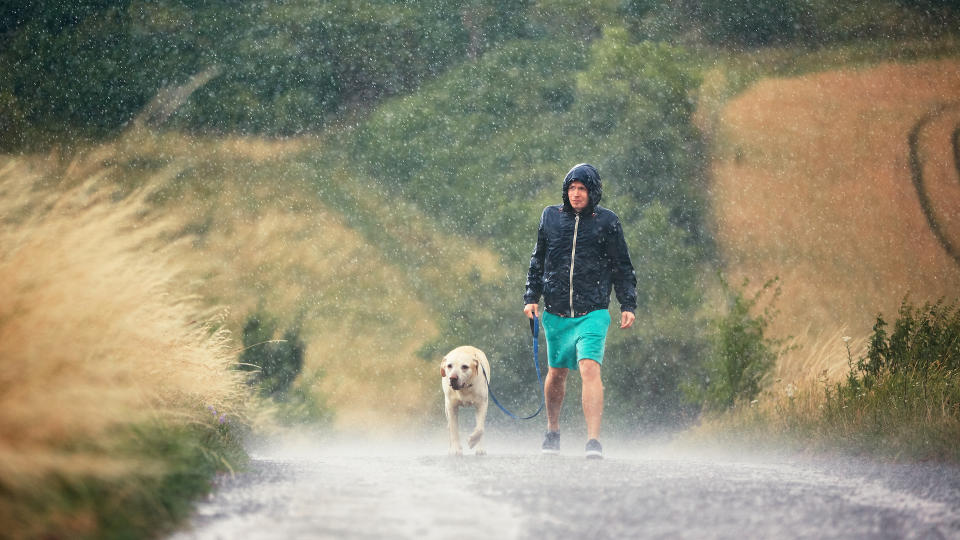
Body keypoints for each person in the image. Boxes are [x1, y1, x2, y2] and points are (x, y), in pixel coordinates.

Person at [523, 163, 637, 459]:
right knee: (557, 373)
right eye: (572, 188)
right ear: (566, 191)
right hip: (557, 311)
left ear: (593, 192)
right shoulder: (551, 217)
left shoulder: (607, 222)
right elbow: (538, 259)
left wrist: (628, 304)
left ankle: (593, 441)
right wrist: (531, 298)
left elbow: (621, 265)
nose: (576, 194)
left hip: (593, 311)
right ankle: (552, 430)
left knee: (589, 367)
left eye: (582, 189)